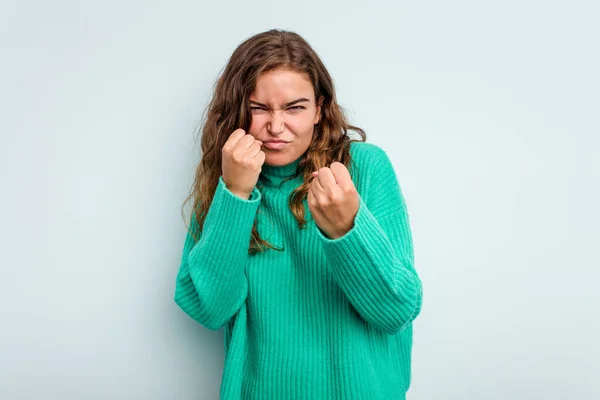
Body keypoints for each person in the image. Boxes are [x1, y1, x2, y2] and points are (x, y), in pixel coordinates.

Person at [173, 28, 423, 400]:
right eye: (258, 108)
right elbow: (210, 309)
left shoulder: (364, 169)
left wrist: (346, 232)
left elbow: (397, 310)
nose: (276, 127)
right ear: (239, 109)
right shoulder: (227, 180)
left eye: (295, 107)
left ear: (320, 108)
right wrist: (236, 194)